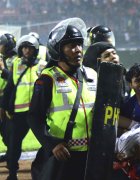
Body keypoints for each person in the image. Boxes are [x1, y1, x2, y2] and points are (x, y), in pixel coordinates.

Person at [28, 18, 97, 180]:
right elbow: (33, 117)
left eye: (79, 44)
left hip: (92, 155)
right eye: (71, 46)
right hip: (65, 155)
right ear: (58, 49)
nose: (78, 49)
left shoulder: (93, 75)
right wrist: (52, 144)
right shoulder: (47, 78)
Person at [0, 34, 46, 180]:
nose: (27, 51)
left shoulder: (43, 65)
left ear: (35, 50)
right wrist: (6, 107)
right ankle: (12, 174)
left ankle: (50, 170)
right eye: (24, 48)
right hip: (19, 113)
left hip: (37, 112)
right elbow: (10, 87)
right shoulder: (16, 64)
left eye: (30, 48)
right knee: (13, 145)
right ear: (20, 49)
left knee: (48, 142)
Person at [0, 33, 17, 163]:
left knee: (8, 131)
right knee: (4, 130)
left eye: (1, 44)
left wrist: (2, 68)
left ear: (7, 46)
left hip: (10, 101)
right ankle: (10, 153)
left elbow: (14, 80)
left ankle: (11, 156)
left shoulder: (16, 60)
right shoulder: (3, 58)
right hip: (3, 99)